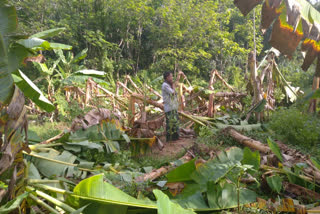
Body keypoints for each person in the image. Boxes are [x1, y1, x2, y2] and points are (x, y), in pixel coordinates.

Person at [162, 71, 180, 142]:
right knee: (170, 124)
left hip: (173, 107)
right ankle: (169, 139)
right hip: (169, 108)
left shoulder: (169, 84)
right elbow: (173, 93)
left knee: (175, 122)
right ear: (167, 78)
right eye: (170, 77)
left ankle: (175, 137)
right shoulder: (165, 85)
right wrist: (173, 86)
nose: (172, 78)